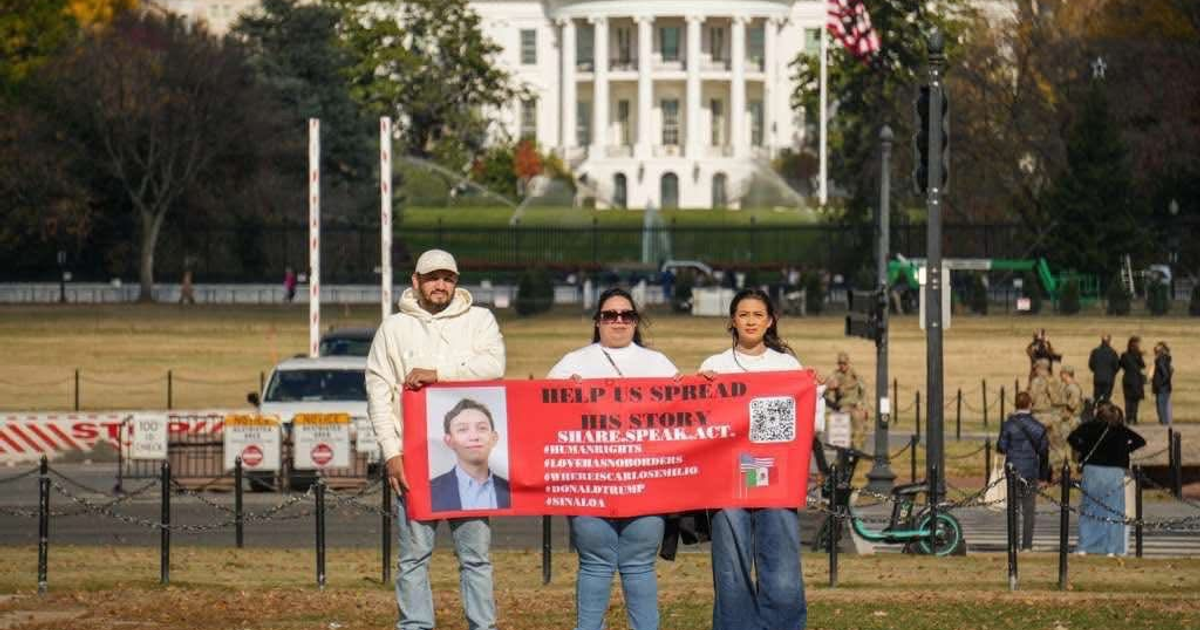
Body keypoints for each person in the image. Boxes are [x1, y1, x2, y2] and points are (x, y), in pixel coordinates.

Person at [365, 249, 506, 630]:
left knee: (475, 557)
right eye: (432, 277)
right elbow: (378, 392)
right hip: (414, 461)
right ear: (416, 281)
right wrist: (391, 453)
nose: (440, 285)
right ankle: (415, 625)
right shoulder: (393, 328)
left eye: (447, 277)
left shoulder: (480, 320)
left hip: (469, 461)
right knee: (413, 557)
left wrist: (437, 373)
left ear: (456, 282)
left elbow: (493, 366)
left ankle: (482, 625)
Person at [547, 287, 677, 630]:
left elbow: (686, 415)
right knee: (594, 565)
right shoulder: (571, 363)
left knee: (639, 567)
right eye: (610, 315)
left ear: (636, 321)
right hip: (589, 484)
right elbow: (543, 418)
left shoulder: (659, 364)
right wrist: (563, 396)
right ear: (597, 321)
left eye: (626, 315)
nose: (618, 321)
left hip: (646, 485)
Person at [698, 288, 807, 630]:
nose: (750, 321)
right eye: (744, 314)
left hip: (775, 478)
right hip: (728, 479)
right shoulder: (714, 365)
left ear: (770, 320)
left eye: (758, 315)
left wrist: (809, 389)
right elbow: (700, 422)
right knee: (732, 564)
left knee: (781, 563)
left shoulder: (787, 365)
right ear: (732, 320)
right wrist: (701, 388)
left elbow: (805, 423)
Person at [1068, 403, 1146, 556]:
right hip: (1114, 471)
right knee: (1114, 510)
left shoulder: (1089, 427)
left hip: (1092, 470)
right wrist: (1124, 450)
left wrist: (1084, 448)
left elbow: (1071, 438)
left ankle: (1085, 545)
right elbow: (1140, 441)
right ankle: (1111, 547)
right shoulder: (1119, 430)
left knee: (1089, 509)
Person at [430, 398, 511, 513]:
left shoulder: (511, 490)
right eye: (462, 430)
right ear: (449, 441)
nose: (474, 437)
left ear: (494, 438)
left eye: (482, 428)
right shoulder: (431, 491)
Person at [996, 391, 1048, 552]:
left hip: (1013, 470)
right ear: (1030, 404)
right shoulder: (1038, 427)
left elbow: (1001, 447)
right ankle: (1027, 545)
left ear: (1016, 405)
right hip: (1030, 471)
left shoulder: (1008, 424)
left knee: (1013, 508)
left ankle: (1013, 544)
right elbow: (1044, 452)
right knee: (1029, 510)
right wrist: (1044, 476)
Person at [824, 351, 867, 450]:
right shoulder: (835, 375)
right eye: (840, 363)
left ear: (848, 363)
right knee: (844, 426)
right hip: (843, 407)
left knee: (860, 427)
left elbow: (863, 390)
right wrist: (831, 387)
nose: (842, 365)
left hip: (855, 406)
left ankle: (858, 449)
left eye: (844, 363)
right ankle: (844, 449)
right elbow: (825, 391)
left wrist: (862, 405)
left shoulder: (854, 374)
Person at [1053, 366, 1084, 470]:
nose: (1060, 376)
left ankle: (1071, 469)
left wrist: (1059, 417)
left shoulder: (1073, 388)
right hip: (1067, 420)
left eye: (1061, 373)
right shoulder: (1067, 387)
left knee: (1069, 447)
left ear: (1066, 374)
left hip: (1071, 421)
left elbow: (1072, 406)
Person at [1118, 336, 1146, 425]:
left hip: (1127, 379)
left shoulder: (1124, 355)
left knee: (1128, 400)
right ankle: (1134, 418)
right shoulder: (1137, 355)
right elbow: (1143, 365)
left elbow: (1121, 365)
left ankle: (1128, 418)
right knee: (1135, 401)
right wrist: (1140, 355)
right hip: (1136, 380)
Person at [1088, 334, 1120, 403]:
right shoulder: (1113, 353)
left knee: (1096, 399)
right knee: (1106, 399)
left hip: (1098, 379)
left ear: (1101, 341)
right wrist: (1112, 374)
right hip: (1109, 380)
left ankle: (1096, 411)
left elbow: (1091, 365)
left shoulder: (1095, 352)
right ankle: (1105, 412)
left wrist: (1097, 371)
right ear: (1109, 341)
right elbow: (1117, 367)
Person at [1152, 341, 1173, 426]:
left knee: (1161, 407)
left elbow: (1165, 374)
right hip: (1165, 386)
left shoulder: (1160, 360)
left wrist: (1160, 383)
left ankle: (1164, 424)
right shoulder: (1166, 359)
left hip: (1162, 387)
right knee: (1163, 406)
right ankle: (1164, 423)